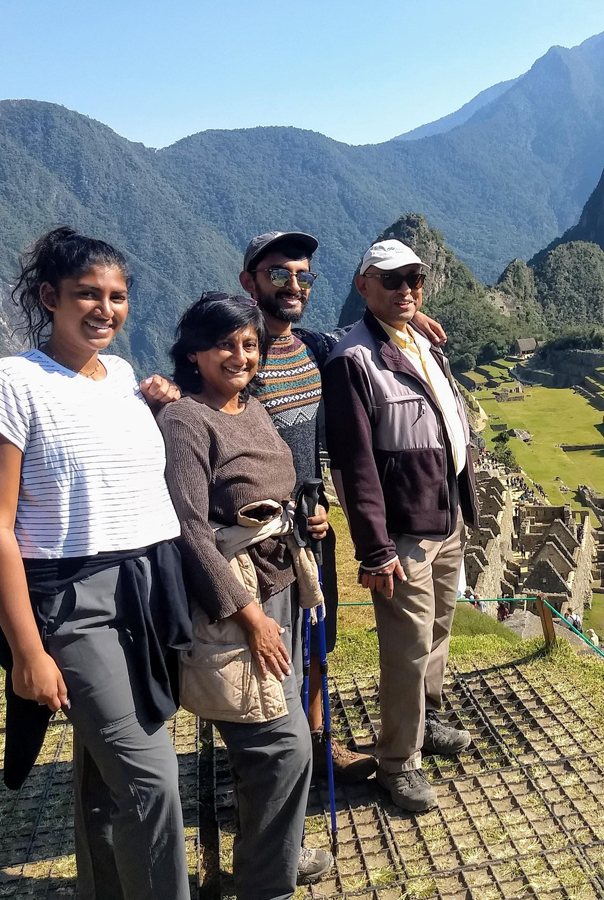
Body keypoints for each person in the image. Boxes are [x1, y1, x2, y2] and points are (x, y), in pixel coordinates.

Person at [0, 227, 191, 900]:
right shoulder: (15, 382)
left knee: (104, 777)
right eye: (86, 294)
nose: (104, 309)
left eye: (117, 296)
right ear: (49, 298)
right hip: (73, 601)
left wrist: (158, 408)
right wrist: (27, 651)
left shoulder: (123, 378)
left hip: (145, 588)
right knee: (150, 780)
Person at [238, 230, 446, 783]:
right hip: (258, 539)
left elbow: (361, 340)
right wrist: (160, 390)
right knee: (263, 654)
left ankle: (315, 748)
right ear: (249, 282)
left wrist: (409, 325)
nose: (293, 285)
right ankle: (269, 773)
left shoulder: (314, 348)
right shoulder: (235, 355)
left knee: (315, 643)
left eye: (303, 276)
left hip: (315, 530)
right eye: (278, 274)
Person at [157, 293, 332, 898]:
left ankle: (272, 856)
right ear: (195, 353)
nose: (240, 355)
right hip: (237, 601)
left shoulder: (251, 407)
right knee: (279, 749)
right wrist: (249, 614)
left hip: (279, 583)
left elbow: (271, 486)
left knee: (277, 747)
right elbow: (187, 526)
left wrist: (303, 518)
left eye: (250, 344)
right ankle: (268, 883)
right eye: (225, 344)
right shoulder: (186, 420)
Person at [323, 239, 480, 813]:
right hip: (404, 532)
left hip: (446, 516)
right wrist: (375, 549)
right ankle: (397, 762)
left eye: (414, 278)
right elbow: (355, 463)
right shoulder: (353, 359)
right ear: (363, 286)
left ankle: (428, 721)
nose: (405, 289)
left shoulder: (422, 342)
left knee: (438, 629)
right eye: (391, 280)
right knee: (406, 647)